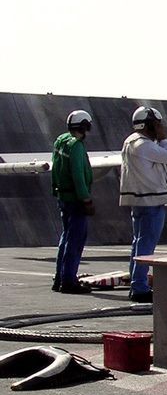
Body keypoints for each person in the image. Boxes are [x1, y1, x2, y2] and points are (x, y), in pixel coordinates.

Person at [119, 106, 167, 303]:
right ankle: (139, 287)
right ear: (150, 124)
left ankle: (137, 282)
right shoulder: (144, 144)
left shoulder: (129, 142)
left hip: (139, 200)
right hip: (151, 199)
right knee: (146, 245)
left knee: (138, 243)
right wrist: (162, 138)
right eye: (157, 124)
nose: (160, 127)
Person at [51, 110, 95, 294]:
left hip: (63, 197)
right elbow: (78, 175)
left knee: (66, 238)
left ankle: (60, 278)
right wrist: (86, 199)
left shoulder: (60, 140)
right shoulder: (76, 145)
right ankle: (69, 281)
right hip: (76, 200)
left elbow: (55, 167)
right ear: (84, 126)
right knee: (75, 241)